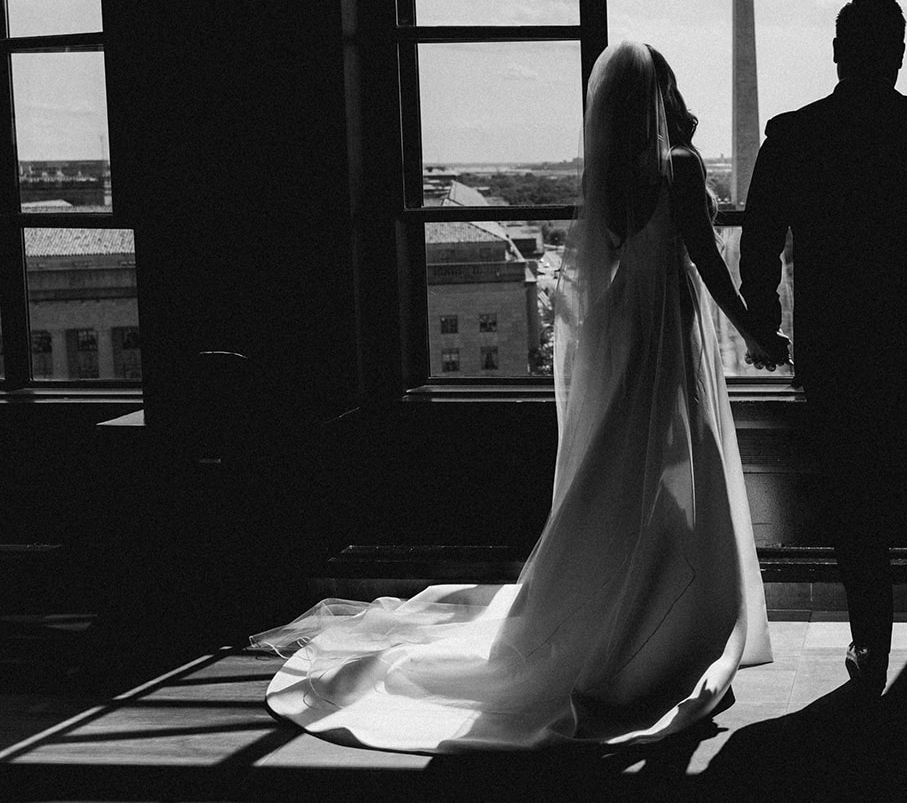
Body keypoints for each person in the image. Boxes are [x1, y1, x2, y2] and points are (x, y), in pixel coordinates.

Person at [250, 42, 786, 752]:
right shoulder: (678, 167)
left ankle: (624, 605)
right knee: (678, 465)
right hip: (667, 328)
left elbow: (603, 262)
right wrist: (754, 328)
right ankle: (670, 618)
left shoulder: (608, 171)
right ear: (659, 94)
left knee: (624, 468)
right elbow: (708, 265)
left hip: (631, 322)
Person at [739, 0, 907, 697]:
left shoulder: (792, 136)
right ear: (899, 54)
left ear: (836, 52)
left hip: (836, 349)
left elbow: (759, 240)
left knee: (854, 498)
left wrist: (766, 319)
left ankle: (869, 641)